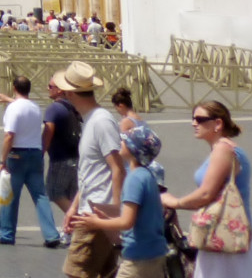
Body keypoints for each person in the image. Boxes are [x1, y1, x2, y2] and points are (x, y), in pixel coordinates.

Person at [162, 99, 252, 277]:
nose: (193, 123)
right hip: (224, 233)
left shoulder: (223, 150)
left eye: (199, 119)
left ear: (218, 123)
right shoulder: (224, 150)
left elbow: (206, 193)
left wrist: (173, 201)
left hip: (223, 233)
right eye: (193, 118)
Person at [58, 62, 127, 278]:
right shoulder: (90, 121)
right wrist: (73, 208)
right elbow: (91, 173)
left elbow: (117, 168)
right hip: (92, 209)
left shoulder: (100, 121)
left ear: (69, 93)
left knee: (76, 273)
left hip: (97, 214)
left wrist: (113, 213)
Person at [74, 121, 168, 278]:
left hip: (138, 258)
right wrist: (107, 219)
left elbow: (126, 222)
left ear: (134, 149)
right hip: (154, 254)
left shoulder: (134, 179)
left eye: (124, 141)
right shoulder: (147, 176)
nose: (120, 143)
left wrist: (96, 222)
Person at [0, 74, 60, 246]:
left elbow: (9, 135)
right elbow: (23, 108)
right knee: (40, 195)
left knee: (10, 195)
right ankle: (51, 234)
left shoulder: (14, 109)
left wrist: (2, 160)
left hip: (17, 154)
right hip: (35, 152)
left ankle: (6, 234)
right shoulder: (35, 108)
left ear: (14, 88)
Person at [45, 77, 82, 228]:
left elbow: (48, 131)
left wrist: (40, 152)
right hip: (74, 157)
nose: (48, 88)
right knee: (72, 197)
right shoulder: (70, 106)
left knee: (55, 192)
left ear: (60, 89)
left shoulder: (54, 108)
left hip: (61, 159)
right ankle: (72, 229)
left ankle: (80, 224)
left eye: (50, 86)